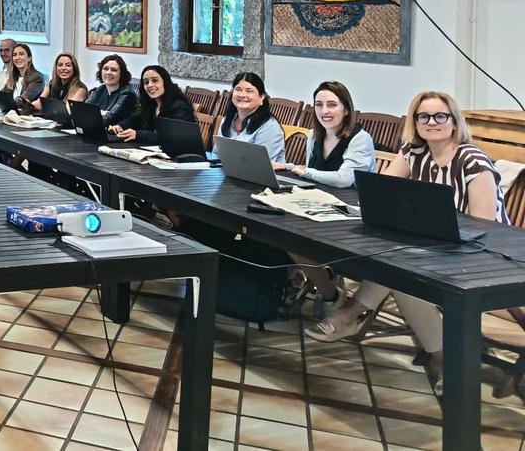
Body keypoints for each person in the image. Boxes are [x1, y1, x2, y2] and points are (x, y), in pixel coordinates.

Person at [305, 91, 509, 388]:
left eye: (441, 116)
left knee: (401, 269)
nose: (431, 122)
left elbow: (484, 226)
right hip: (431, 245)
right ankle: (442, 357)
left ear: (454, 122)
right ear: (415, 122)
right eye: (423, 116)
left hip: (483, 253)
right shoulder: (414, 152)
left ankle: (353, 311)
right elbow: (382, 192)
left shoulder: (472, 160)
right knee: (401, 268)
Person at [276, 82, 376, 312]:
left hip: (351, 215)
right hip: (318, 206)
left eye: (332, 105)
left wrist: (300, 169)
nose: (325, 111)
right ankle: (321, 283)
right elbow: (312, 175)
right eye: (319, 105)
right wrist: (291, 168)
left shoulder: (360, 138)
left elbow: (344, 179)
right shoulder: (314, 135)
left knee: (291, 240)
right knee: (277, 230)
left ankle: (329, 292)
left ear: (346, 109)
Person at [107, 65, 194, 143]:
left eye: (155, 81)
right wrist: (120, 126)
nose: (150, 85)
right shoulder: (150, 104)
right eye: (146, 82)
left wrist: (138, 135)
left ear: (165, 82)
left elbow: (174, 137)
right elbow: (133, 119)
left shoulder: (180, 107)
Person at [216, 72, 285, 162]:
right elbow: (216, 156)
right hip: (228, 172)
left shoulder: (270, 127)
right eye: (238, 89)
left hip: (259, 175)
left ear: (262, 97)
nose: (242, 95)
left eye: (249, 91)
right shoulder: (227, 120)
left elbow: (260, 164)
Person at [86, 54, 138, 126]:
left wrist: (98, 113)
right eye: (105, 69)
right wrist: (102, 112)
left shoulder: (127, 93)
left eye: (114, 70)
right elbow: (82, 111)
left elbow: (108, 119)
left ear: (121, 74)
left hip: (117, 134)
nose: (108, 72)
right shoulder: (100, 89)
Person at [8, 43, 44, 111]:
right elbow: (3, 96)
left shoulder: (37, 77)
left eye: (21, 54)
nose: (17, 58)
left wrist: (8, 103)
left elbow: (23, 101)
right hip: (13, 114)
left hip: (29, 117)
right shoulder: (13, 77)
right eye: (14, 55)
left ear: (29, 58)